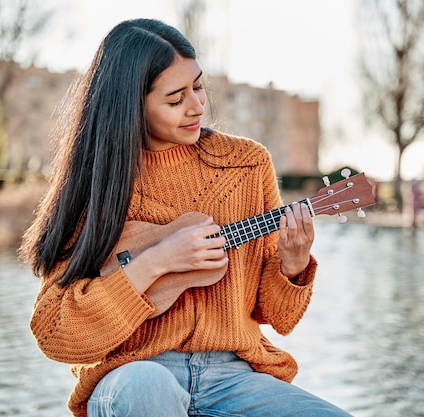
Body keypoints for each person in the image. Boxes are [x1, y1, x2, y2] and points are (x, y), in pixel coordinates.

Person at [19, 18, 353, 417]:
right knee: (147, 387)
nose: (196, 106)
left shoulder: (247, 166)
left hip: (233, 376)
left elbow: (278, 317)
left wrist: (293, 264)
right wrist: (156, 262)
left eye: (197, 86)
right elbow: (57, 334)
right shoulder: (98, 183)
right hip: (131, 374)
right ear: (131, 104)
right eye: (175, 99)